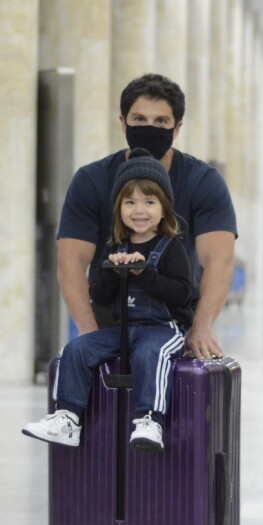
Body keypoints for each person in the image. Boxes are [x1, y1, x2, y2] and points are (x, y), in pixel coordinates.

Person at [57, 73, 236, 360]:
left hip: (172, 321)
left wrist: (201, 327)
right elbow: (70, 263)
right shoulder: (91, 180)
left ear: (177, 128)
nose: (148, 128)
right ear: (123, 122)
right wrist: (90, 334)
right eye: (139, 119)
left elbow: (219, 261)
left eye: (161, 122)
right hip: (108, 317)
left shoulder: (203, 182)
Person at [23, 149, 192, 452]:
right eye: (130, 202)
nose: (139, 210)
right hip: (121, 328)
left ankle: (149, 419)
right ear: (119, 209)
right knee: (76, 349)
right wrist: (115, 272)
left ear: (164, 209)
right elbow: (99, 295)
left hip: (163, 329)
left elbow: (182, 293)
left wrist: (144, 273)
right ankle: (68, 417)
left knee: (148, 354)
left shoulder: (171, 248)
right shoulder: (114, 246)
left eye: (149, 202)